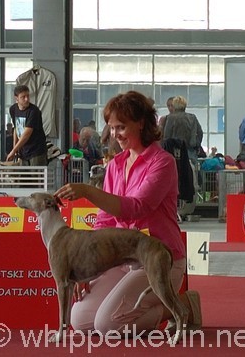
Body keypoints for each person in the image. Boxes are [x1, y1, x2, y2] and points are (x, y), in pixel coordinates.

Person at [54, 91, 201, 337]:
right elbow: (105, 222)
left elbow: (136, 207)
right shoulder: (114, 166)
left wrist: (88, 191)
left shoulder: (162, 163)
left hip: (159, 259)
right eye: (111, 128)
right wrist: (89, 269)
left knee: (109, 325)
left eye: (121, 127)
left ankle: (182, 306)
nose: (114, 135)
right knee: (80, 320)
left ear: (141, 123)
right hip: (120, 259)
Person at [7, 84, 47, 166]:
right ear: (16, 98)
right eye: (23, 97)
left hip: (36, 151)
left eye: (28, 96)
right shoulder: (13, 109)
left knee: (36, 177)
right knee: (23, 177)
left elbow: (26, 134)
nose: (26, 99)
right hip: (23, 151)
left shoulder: (34, 111)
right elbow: (16, 128)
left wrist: (13, 150)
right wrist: (16, 148)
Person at [162, 95, 203, 163]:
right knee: (191, 171)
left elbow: (167, 136)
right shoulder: (192, 117)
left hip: (175, 151)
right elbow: (200, 133)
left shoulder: (170, 118)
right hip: (190, 150)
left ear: (175, 105)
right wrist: (196, 144)